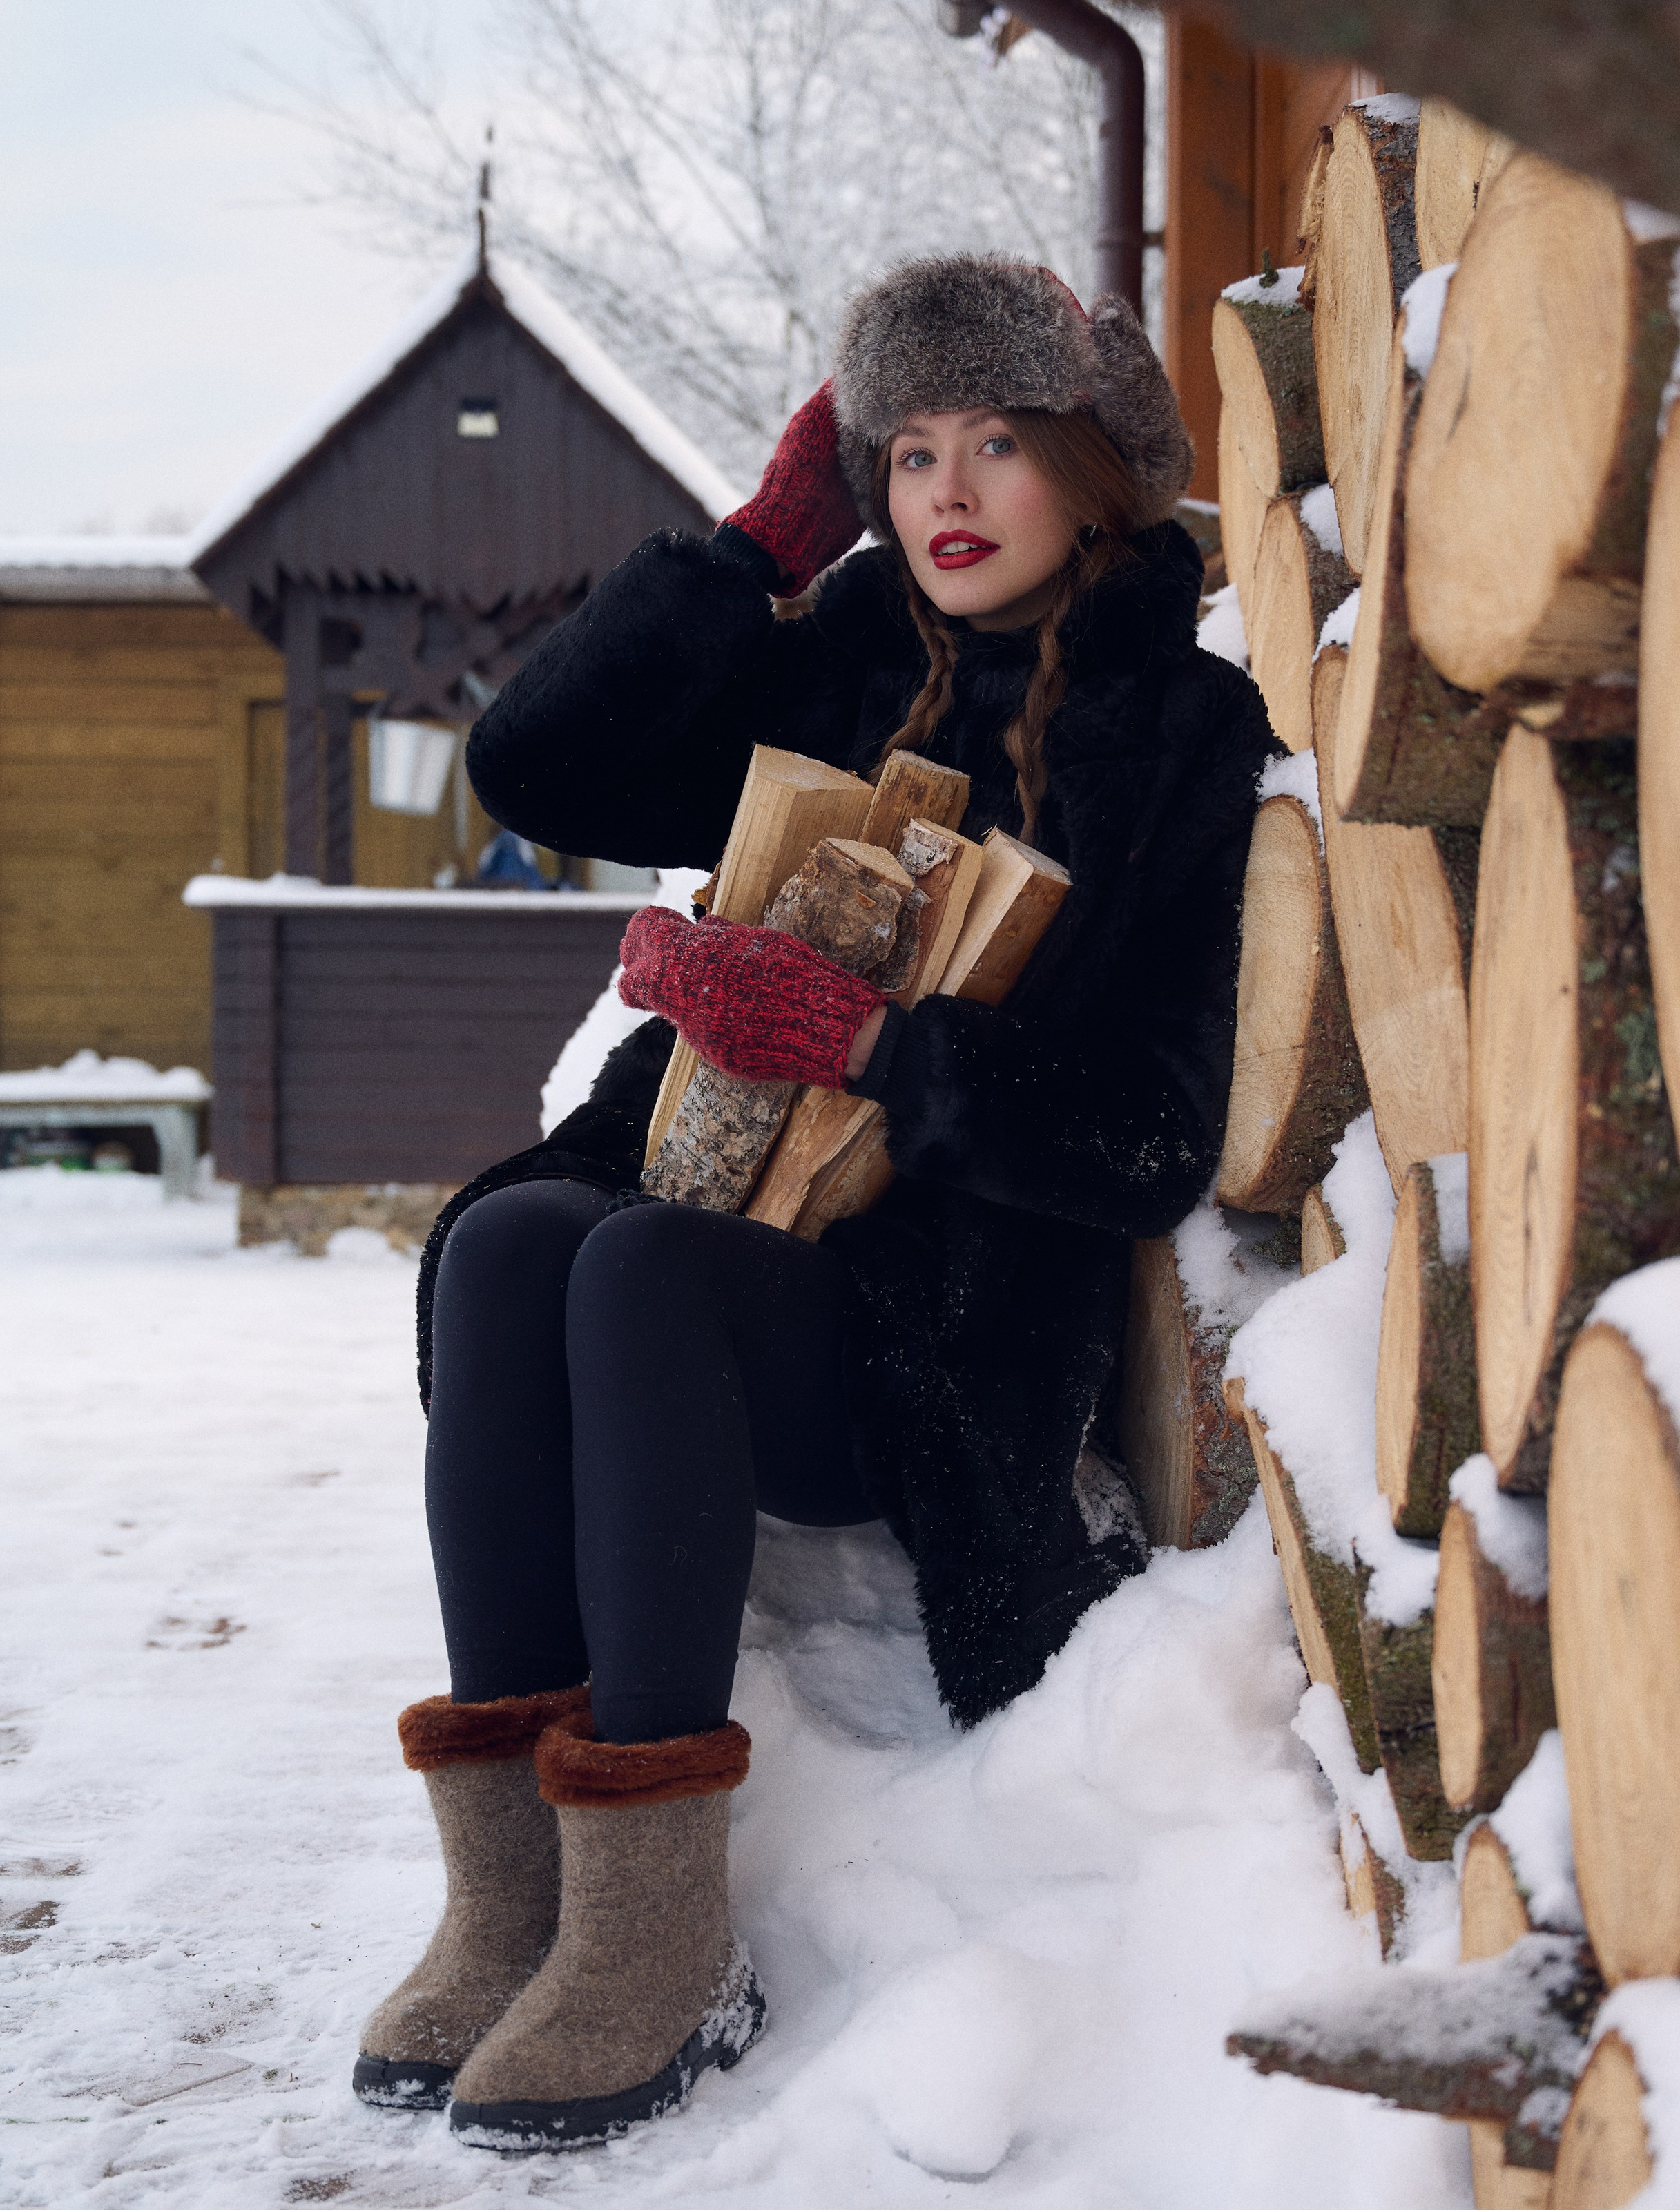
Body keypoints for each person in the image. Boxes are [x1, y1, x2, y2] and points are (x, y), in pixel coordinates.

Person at [351, 255, 1275, 2153]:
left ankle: (661, 1931)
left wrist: (873, 1042)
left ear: (1094, 468)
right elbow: (534, 764)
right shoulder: (847, 645)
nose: (941, 491)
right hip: (690, 1173)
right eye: (906, 447)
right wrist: (754, 550)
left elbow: (1149, 1138)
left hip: (920, 1317)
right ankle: (513, 1894)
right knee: (525, 1234)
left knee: (638, 1274)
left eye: (997, 444)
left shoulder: (1182, 726)